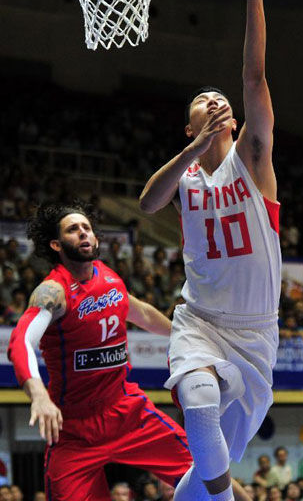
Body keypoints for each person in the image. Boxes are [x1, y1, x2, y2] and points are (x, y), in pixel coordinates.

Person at [139, 0, 280, 501]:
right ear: (192, 123)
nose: (217, 101)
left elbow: (254, 81)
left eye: (221, 100)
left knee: (207, 464)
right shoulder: (186, 175)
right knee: (196, 403)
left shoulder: (252, 161)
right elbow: (150, 200)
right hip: (198, 321)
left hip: (254, 336)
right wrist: (193, 151)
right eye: (204, 100)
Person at [7, 201, 192, 501]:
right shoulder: (53, 292)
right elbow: (21, 341)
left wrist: (182, 334)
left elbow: (141, 313)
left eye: (87, 228)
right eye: (72, 229)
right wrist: (39, 396)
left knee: (205, 470)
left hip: (125, 409)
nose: (83, 233)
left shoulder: (108, 276)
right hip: (73, 428)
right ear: (56, 244)